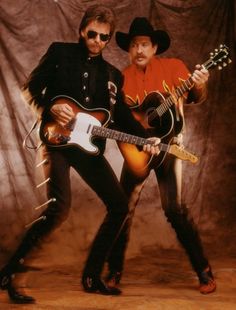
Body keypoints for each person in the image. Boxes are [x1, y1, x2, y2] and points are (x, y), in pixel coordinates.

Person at [0, 8, 160, 304]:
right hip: (58, 142)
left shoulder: (112, 75)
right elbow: (30, 89)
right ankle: (10, 272)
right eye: (92, 34)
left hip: (89, 149)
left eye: (104, 37)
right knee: (59, 209)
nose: (97, 41)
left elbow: (120, 115)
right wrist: (48, 108)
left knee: (118, 206)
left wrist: (145, 138)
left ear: (109, 38)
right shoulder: (59, 53)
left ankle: (92, 275)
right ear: (81, 30)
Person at [105, 17, 216, 295]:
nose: (139, 50)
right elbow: (119, 119)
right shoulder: (122, 78)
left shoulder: (174, 68)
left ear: (154, 47)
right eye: (134, 45)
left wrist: (200, 83)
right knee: (122, 210)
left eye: (144, 44)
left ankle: (204, 272)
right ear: (128, 50)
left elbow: (195, 96)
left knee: (175, 210)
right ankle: (114, 271)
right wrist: (137, 141)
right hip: (139, 152)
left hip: (169, 149)